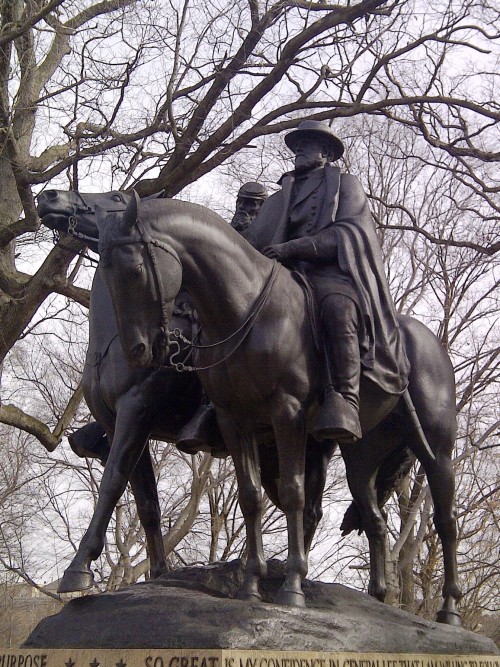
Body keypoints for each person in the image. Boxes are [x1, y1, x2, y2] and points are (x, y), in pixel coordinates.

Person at [244, 119, 410, 444]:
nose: (299, 151)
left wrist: (292, 247)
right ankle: (213, 402)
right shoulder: (279, 196)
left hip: (327, 274)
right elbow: (250, 243)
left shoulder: (345, 185)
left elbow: (347, 233)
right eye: (297, 145)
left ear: (327, 151)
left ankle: (345, 399)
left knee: (338, 309)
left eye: (308, 143)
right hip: (279, 276)